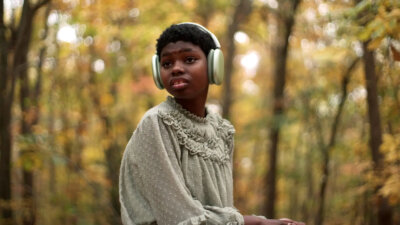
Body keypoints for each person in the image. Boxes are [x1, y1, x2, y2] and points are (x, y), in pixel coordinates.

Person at [119, 22, 305, 225]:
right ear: (158, 74)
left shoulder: (221, 131)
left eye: (189, 59)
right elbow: (180, 219)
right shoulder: (156, 124)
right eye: (167, 64)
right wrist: (259, 223)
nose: (176, 68)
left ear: (213, 65)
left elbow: (222, 211)